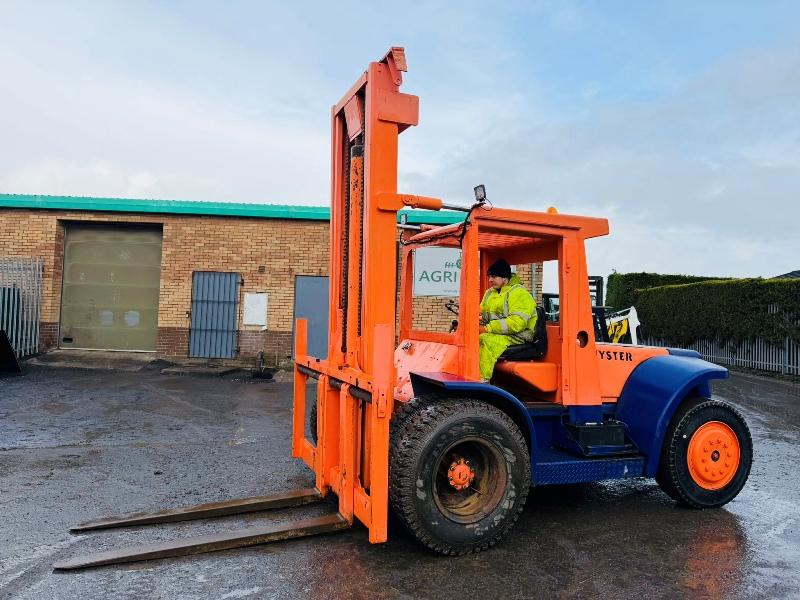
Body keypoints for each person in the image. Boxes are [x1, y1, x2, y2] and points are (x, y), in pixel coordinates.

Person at [478, 259, 538, 382]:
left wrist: (487, 328)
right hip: (500, 332)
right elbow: (482, 314)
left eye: (493, 277)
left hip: (519, 335)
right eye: (489, 276)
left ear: (504, 277)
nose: (490, 280)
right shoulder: (490, 293)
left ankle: (481, 381)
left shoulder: (519, 294)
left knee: (485, 340)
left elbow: (517, 323)